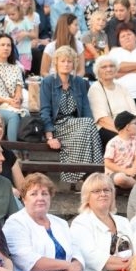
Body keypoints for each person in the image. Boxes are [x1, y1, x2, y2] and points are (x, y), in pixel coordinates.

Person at [3, 173, 93, 271]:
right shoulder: (15, 223)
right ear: (23, 198)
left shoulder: (61, 223)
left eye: (44, 193)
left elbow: (76, 252)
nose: (40, 198)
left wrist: (73, 269)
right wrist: (67, 266)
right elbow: (30, 262)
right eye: (34, 194)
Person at [70, 173, 133, 271]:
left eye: (107, 190)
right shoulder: (81, 222)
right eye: (97, 191)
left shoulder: (124, 222)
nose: (103, 194)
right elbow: (91, 257)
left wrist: (135, 263)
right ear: (87, 197)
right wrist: (129, 264)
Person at [41, 46, 100, 182]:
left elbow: (85, 108)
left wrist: (90, 126)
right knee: (87, 124)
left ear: (74, 64)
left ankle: (84, 175)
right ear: (56, 63)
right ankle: (92, 174)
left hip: (78, 125)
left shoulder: (79, 82)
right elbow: (45, 110)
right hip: (57, 125)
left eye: (69, 61)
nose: (66, 64)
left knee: (88, 123)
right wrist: (50, 137)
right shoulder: (48, 82)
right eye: (62, 61)